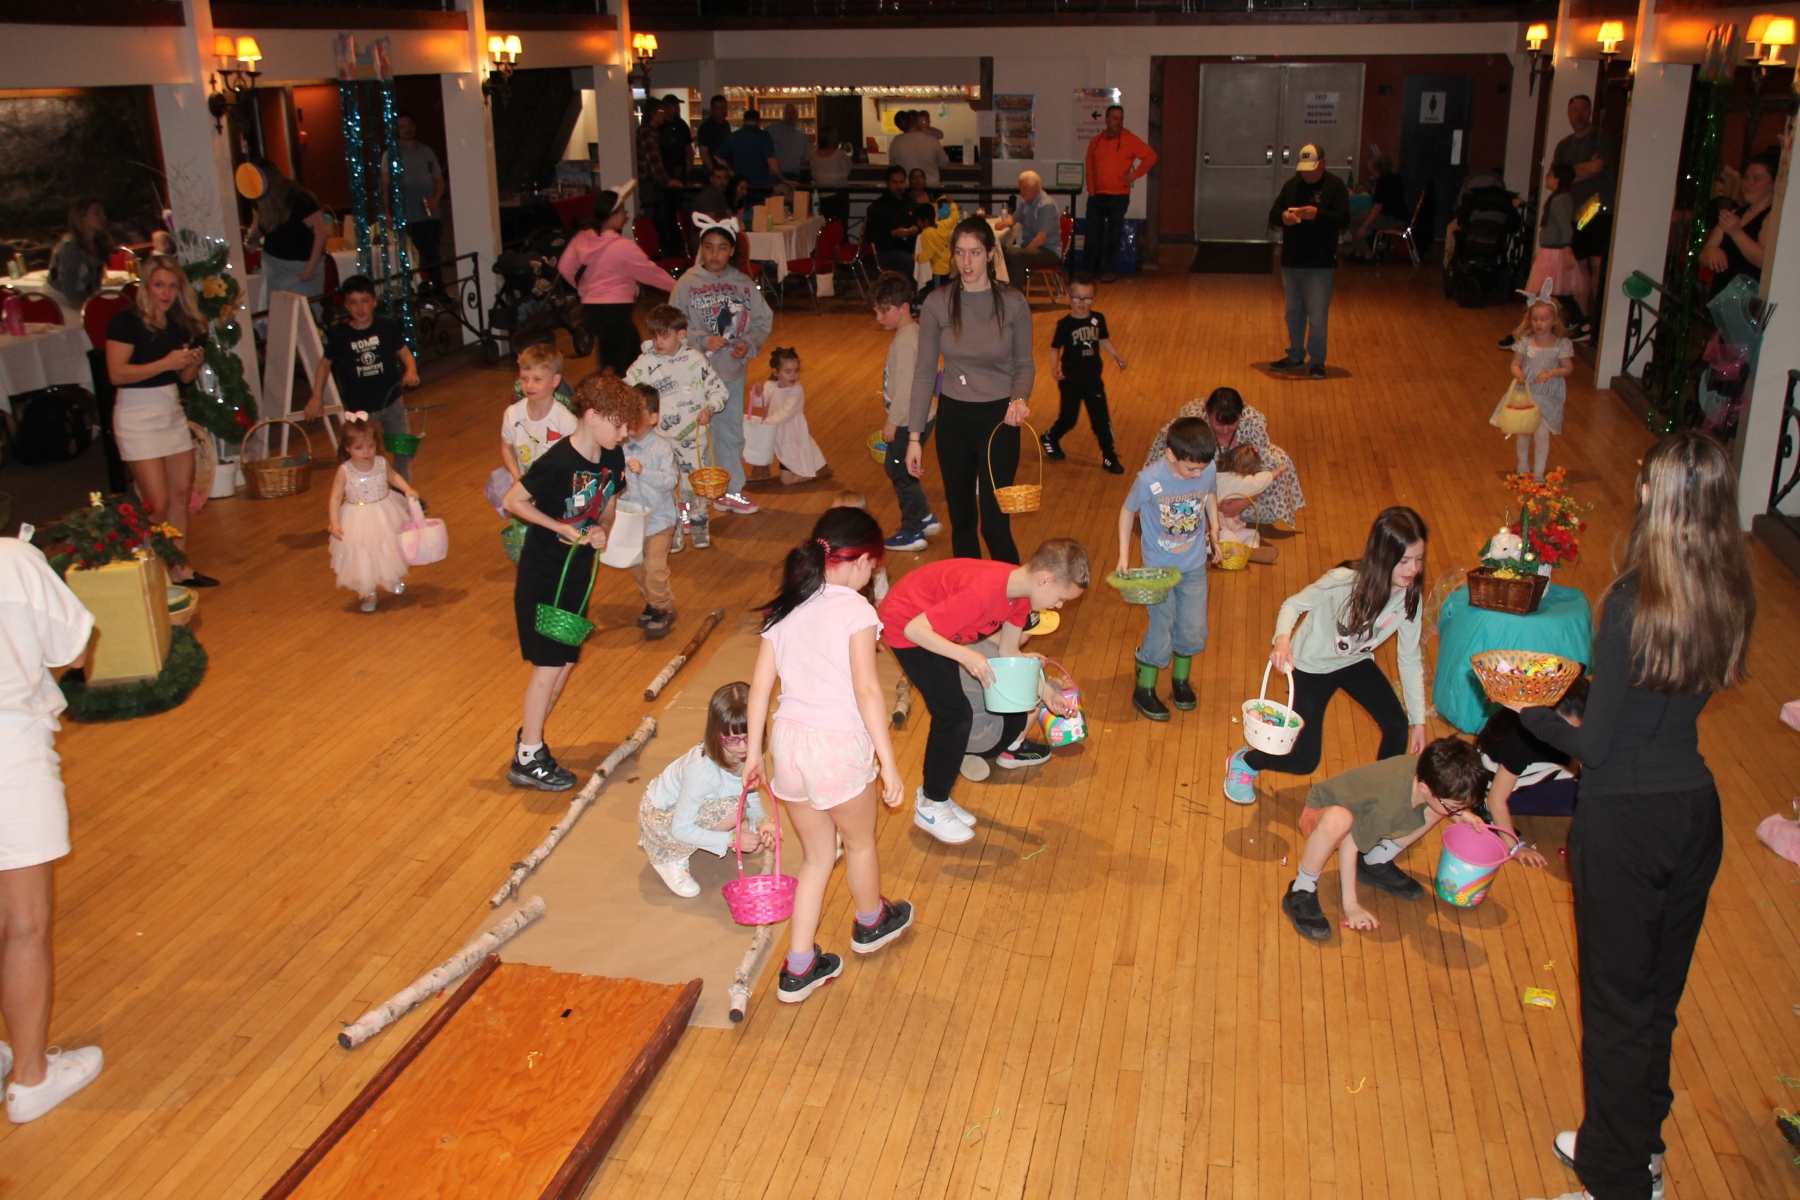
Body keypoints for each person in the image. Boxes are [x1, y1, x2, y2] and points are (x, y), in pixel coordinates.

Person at [1511, 432, 1754, 1200]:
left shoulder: (1630, 601)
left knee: (1615, 1011)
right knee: (1655, 1002)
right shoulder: (1727, 590)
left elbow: (1598, 747)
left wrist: (1527, 706)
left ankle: (1613, 1182)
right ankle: (1633, 1145)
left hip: (1626, 826)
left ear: (1655, 495)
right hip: (1695, 815)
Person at [744, 508, 915, 1004]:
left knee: (817, 857)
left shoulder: (787, 607)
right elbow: (867, 689)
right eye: (873, 566)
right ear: (859, 560)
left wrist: (754, 754)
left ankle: (798, 967)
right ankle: (871, 922)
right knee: (859, 845)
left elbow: (760, 688)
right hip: (836, 747)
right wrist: (888, 763)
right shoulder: (856, 610)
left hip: (788, 746)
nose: (871, 576)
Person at [878, 541, 1088, 842]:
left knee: (971, 711)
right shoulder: (982, 593)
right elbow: (914, 630)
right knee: (953, 715)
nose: (1059, 606)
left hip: (934, 628)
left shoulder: (1021, 596)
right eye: (1060, 598)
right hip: (906, 628)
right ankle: (931, 804)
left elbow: (1009, 651)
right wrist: (966, 655)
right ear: (1044, 579)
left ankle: (936, 795)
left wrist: (1046, 693)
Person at [1223, 507, 1430, 804]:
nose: (1413, 569)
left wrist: (1418, 721)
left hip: (1355, 662)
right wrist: (1282, 641)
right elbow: (1293, 605)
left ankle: (1381, 795)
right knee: (1303, 761)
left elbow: (1409, 658)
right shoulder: (1342, 581)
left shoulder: (1410, 598)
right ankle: (1247, 761)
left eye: (1419, 559)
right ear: (1383, 557)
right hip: (1311, 668)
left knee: (1397, 725)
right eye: (1404, 561)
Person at [0, 539, 104, 1124]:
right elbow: (76, 649)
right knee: (25, 925)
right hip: (9, 756)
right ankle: (31, 1078)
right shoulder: (12, 561)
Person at [501, 374, 642, 791]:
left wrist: (602, 529)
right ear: (592, 416)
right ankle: (528, 756)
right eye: (618, 424)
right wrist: (560, 527)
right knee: (548, 664)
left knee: (564, 662)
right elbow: (513, 501)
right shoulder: (559, 461)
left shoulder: (612, 456)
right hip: (545, 572)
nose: (624, 433)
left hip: (578, 573)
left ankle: (531, 738)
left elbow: (609, 504)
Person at [905, 218, 1035, 563]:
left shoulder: (1013, 302)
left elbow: (1024, 365)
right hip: (954, 420)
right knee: (962, 522)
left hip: (999, 421)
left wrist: (1019, 399)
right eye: (960, 252)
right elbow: (924, 373)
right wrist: (915, 438)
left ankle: (1012, 591)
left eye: (975, 252)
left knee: (994, 525)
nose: (966, 262)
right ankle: (970, 593)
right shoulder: (938, 303)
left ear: (990, 254)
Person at [1280, 739, 1489, 941]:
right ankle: (1301, 889)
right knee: (1338, 819)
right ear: (1425, 788)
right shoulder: (1388, 808)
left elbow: (1441, 799)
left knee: (1437, 809)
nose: (1456, 812)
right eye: (1454, 807)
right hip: (1323, 815)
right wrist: (1351, 906)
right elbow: (1349, 845)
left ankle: (1374, 862)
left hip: (1367, 812)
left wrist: (1461, 814)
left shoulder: (1428, 771)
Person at [103, 254, 215, 587]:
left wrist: (191, 362)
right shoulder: (125, 322)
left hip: (170, 412)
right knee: (157, 502)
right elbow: (116, 373)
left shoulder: (178, 323)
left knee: (181, 494)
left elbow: (184, 379)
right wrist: (166, 362)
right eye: (159, 285)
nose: (166, 293)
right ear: (145, 286)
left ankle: (178, 567)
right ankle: (151, 573)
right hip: (137, 416)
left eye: (172, 286)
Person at [1117, 416, 1219, 721]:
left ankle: (1180, 681)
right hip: (1159, 569)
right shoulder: (1150, 479)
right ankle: (1144, 688)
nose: (1198, 474)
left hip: (1194, 564)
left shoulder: (1207, 469)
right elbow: (1127, 511)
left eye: (1202, 468)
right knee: (1162, 626)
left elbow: (1210, 494)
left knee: (1193, 628)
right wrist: (1124, 555)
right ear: (1171, 455)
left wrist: (1215, 529)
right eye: (1191, 469)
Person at [671, 218, 770, 520]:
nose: (715, 254)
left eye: (722, 248)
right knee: (696, 435)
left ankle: (729, 490)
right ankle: (693, 495)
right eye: (709, 247)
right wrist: (701, 340)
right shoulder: (686, 284)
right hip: (694, 376)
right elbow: (672, 327)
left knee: (730, 432)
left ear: (732, 251)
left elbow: (762, 321)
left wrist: (747, 344)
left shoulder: (743, 284)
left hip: (730, 373)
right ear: (700, 248)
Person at [639, 683, 774, 897]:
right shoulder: (702, 772)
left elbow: (749, 792)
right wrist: (730, 840)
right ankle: (668, 856)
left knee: (754, 841)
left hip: (704, 805)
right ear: (715, 734)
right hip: (663, 818)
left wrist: (763, 821)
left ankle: (726, 829)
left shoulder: (751, 752)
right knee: (735, 814)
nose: (743, 747)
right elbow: (680, 829)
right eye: (732, 740)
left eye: (749, 737)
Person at [624, 305, 729, 551]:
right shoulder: (645, 364)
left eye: (665, 335)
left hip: (693, 437)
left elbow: (719, 390)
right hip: (659, 440)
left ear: (681, 335)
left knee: (692, 486)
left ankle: (699, 521)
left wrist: (710, 408)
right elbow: (626, 390)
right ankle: (674, 526)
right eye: (655, 336)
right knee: (664, 486)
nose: (658, 342)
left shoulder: (696, 360)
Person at [306, 274, 421, 481]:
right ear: (345, 305)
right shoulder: (341, 334)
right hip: (359, 408)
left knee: (404, 449)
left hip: (391, 402)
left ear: (374, 301)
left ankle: (403, 492)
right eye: (353, 302)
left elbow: (405, 354)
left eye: (365, 301)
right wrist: (316, 397)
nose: (360, 308)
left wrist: (411, 370)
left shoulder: (386, 327)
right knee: (361, 453)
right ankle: (363, 491)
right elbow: (324, 365)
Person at [556, 190, 677, 378]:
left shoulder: (582, 238)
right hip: (616, 310)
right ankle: (614, 394)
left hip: (592, 309)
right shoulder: (623, 247)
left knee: (631, 357)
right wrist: (679, 286)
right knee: (615, 368)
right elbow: (651, 273)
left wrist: (584, 289)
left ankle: (635, 390)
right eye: (623, 212)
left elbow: (564, 267)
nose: (626, 216)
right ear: (613, 215)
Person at [1147, 387, 1305, 529]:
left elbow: (1262, 464)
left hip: (1236, 480)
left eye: (1232, 424)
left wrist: (1243, 503)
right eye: (1218, 424)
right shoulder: (1192, 422)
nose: (1225, 430)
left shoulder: (1254, 422)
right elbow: (1181, 465)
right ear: (1208, 414)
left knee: (1280, 461)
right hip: (1195, 477)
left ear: (1240, 415)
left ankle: (1215, 514)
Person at [1475, 676, 1587, 857]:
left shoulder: (1539, 710)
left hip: (1520, 759)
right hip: (1494, 776)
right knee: (1577, 792)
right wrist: (1514, 847)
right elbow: (1496, 799)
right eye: (1568, 730)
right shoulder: (1522, 742)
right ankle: (1486, 813)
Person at [872, 271, 941, 553]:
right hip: (920, 416)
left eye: (884, 310)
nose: (879, 317)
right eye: (876, 311)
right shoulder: (913, 333)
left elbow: (907, 389)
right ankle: (924, 517)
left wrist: (892, 422)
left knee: (901, 473)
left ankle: (912, 532)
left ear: (903, 307)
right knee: (899, 468)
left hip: (908, 420)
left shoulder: (904, 341)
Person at [1268, 143, 1350, 379]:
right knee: (1293, 313)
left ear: (1323, 163)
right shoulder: (1292, 185)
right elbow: (1274, 213)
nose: (1307, 174)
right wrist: (1284, 217)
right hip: (1292, 261)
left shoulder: (1335, 186)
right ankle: (1295, 355)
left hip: (1319, 263)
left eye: (1312, 169)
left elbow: (1343, 220)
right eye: (1304, 169)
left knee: (1317, 317)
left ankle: (1317, 361)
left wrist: (1318, 215)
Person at [327, 413, 422, 612]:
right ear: (347, 448)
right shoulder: (345, 470)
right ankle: (369, 592)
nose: (366, 452)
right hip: (357, 517)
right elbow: (335, 497)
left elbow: (393, 476)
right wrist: (334, 522)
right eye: (359, 448)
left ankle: (391, 578)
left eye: (370, 446)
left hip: (383, 511)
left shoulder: (380, 462)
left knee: (389, 547)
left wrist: (407, 489)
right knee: (363, 554)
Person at [1043, 272, 1125, 473]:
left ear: (1094, 299)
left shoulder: (1098, 319)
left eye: (1087, 298)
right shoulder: (1065, 324)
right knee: (1068, 419)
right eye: (1077, 298)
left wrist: (1117, 356)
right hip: (1070, 381)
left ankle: (1108, 455)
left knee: (1101, 419)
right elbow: (1054, 348)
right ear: (1069, 298)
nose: (1082, 302)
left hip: (1093, 380)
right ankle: (1050, 436)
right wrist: (1054, 368)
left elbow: (1102, 339)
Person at [623, 383, 680, 637]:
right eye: (627, 411)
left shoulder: (661, 448)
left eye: (637, 413)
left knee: (655, 567)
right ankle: (651, 601)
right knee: (637, 567)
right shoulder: (620, 446)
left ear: (653, 418)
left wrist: (644, 471)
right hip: (633, 521)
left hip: (659, 520)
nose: (630, 418)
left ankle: (663, 606)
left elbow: (670, 480)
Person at [1552, 94, 1616, 305]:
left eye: (1584, 109)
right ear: (1568, 113)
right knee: (1577, 264)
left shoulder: (1601, 139)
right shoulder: (1564, 145)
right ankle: (1582, 314)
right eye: (1574, 110)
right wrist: (1583, 169)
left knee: (1597, 263)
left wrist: (1569, 173)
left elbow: (1596, 167)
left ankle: (1596, 314)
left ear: (1590, 112)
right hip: (1575, 213)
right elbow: (1554, 178)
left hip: (1598, 209)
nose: (1578, 114)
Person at [1502, 295, 1575, 479]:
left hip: (1548, 394)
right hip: (1527, 392)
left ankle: (1539, 473)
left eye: (1544, 319)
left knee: (1542, 434)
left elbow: (1568, 368)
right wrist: (1519, 374)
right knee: (1525, 431)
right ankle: (1522, 466)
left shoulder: (1561, 344)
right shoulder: (1526, 342)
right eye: (1535, 319)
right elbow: (1515, 364)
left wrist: (1552, 372)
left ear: (1554, 320)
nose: (1538, 323)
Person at [1083, 105, 1156, 281]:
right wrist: (1092, 190)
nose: (1118, 122)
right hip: (1097, 196)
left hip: (1119, 196)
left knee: (1114, 235)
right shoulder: (1096, 141)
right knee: (1092, 235)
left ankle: (1110, 270)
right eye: (1115, 118)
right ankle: (1089, 270)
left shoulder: (1129, 139)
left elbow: (1151, 156)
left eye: (1121, 118)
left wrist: (1134, 175)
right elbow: (1090, 167)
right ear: (1107, 119)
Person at [1699, 145, 1778, 299]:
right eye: (1746, 177)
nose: (1749, 184)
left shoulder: (1772, 218)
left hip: (1747, 304)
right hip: (1720, 299)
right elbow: (1703, 256)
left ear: (1773, 184)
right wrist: (1711, 252)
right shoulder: (1736, 214)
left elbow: (1766, 262)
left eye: (1757, 179)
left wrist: (1736, 233)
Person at [1524, 164, 1590, 345]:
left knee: (1553, 291)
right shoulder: (1559, 198)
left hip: (1555, 251)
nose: (1547, 178)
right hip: (1551, 250)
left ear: (1558, 179)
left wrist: (1566, 251)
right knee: (1555, 292)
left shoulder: (1560, 200)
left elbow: (1564, 227)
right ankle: (1578, 322)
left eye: (1550, 175)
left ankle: (1581, 322)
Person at [748, 346, 829, 486]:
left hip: (790, 435)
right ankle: (761, 468)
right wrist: (758, 394)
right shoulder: (771, 385)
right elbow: (760, 403)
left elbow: (785, 414)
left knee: (786, 480)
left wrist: (767, 423)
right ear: (776, 372)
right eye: (788, 371)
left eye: (796, 371)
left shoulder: (796, 391)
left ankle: (814, 473)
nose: (793, 376)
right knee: (763, 443)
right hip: (774, 428)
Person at [246, 164, 326, 301]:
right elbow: (259, 223)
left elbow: (321, 233)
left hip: (300, 265)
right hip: (272, 264)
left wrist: (311, 268)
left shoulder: (298, 198)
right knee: (275, 308)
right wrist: (252, 239)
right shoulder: (257, 197)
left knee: (302, 309)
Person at [501, 343, 576, 482]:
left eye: (537, 379)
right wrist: (517, 477)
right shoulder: (512, 414)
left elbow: (573, 463)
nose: (529, 385)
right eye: (524, 378)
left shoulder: (567, 423)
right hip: (523, 485)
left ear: (555, 380)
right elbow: (507, 447)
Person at [390, 113, 445, 286]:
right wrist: (387, 213)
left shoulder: (426, 151)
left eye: (409, 125)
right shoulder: (393, 153)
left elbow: (439, 180)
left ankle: (426, 290)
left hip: (431, 214)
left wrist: (436, 198)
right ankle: (438, 290)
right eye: (402, 126)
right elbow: (384, 185)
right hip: (409, 217)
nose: (407, 129)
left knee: (431, 254)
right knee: (427, 255)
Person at [1214, 443, 1284, 563]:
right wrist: (1277, 472)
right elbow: (1260, 481)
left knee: (1251, 533)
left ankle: (1249, 552)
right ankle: (1245, 551)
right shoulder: (1241, 481)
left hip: (1228, 526)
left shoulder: (1218, 476)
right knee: (1239, 538)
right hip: (1220, 526)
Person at [46, 196, 115, 310]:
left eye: (103, 213)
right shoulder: (70, 247)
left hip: (82, 301)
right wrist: (90, 313)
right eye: (97, 213)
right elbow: (70, 289)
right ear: (81, 217)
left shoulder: (98, 243)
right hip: (58, 304)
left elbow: (95, 285)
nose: (103, 217)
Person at [996, 170, 1063, 284]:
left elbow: (1040, 239)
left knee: (1016, 255)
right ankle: (1002, 288)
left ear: (1035, 187)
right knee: (999, 250)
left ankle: (1015, 292)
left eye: (1024, 188)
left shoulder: (1046, 205)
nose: (1021, 192)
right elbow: (1013, 219)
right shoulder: (1025, 203)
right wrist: (1003, 224)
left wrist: (1024, 251)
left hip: (1048, 251)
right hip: (1031, 247)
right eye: (1020, 188)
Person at [635, 102, 681, 259]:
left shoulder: (651, 132)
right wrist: (666, 180)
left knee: (659, 219)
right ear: (653, 113)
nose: (665, 114)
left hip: (650, 183)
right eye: (661, 111)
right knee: (655, 220)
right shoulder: (647, 132)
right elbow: (653, 160)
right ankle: (657, 256)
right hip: (649, 184)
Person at [867, 167, 926, 276]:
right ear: (887, 183)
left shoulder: (909, 201)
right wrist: (892, 233)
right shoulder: (877, 207)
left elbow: (920, 223)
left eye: (902, 182)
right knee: (908, 260)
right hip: (887, 251)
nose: (899, 186)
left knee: (932, 255)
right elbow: (871, 236)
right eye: (895, 183)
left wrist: (916, 228)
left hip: (910, 247)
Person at [716, 109, 785, 197]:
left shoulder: (734, 136)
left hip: (740, 184)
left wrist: (730, 171)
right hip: (761, 185)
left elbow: (718, 156)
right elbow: (771, 160)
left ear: (743, 121)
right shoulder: (763, 136)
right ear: (759, 122)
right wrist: (782, 178)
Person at [1351, 154, 1407, 261]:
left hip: (1392, 218)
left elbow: (1378, 207)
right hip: (1397, 215)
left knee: (1349, 220)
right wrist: (1368, 212)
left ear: (1377, 169)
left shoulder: (1383, 181)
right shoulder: (1394, 177)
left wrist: (1364, 226)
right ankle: (1361, 251)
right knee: (1352, 218)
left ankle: (1366, 253)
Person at [914, 194, 963, 293]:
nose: (917, 223)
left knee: (938, 291)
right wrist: (952, 204)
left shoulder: (926, 234)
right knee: (946, 289)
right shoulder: (942, 225)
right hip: (948, 265)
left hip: (938, 270)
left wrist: (916, 257)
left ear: (925, 221)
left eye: (918, 221)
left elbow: (927, 254)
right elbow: (954, 217)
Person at [889, 111, 950, 187]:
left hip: (907, 186)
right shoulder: (932, 140)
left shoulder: (896, 142)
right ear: (917, 123)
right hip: (931, 185)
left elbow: (893, 166)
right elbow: (944, 163)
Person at [657, 94, 694, 188]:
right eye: (676, 106)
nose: (678, 108)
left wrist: (690, 163)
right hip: (665, 167)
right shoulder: (660, 125)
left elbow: (688, 146)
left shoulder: (681, 124)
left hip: (681, 167)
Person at [767, 103, 810, 179]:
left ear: (797, 115)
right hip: (777, 176)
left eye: (793, 112)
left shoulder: (802, 136)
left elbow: (804, 157)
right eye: (788, 113)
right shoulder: (772, 130)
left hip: (795, 175)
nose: (791, 116)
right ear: (783, 115)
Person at [694, 95, 732, 175]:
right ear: (712, 109)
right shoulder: (706, 127)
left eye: (724, 107)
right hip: (714, 172)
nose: (721, 110)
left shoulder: (726, 125)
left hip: (725, 170)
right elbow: (704, 152)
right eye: (718, 108)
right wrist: (712, 172)